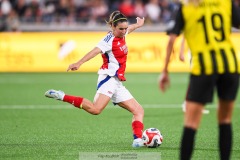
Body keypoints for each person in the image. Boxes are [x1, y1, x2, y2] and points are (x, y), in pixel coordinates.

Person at [45, 11, 145, 148]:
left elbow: (130, 29)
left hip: (117, 81)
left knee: (138, 110)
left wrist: (138, 25)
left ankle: (137, 140)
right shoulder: (108, 40)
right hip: (108, 78)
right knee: (95, 109)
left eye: (125, 28)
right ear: (113, 27)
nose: (124, 31)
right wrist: (79, 63)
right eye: (121, 29)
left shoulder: (123, 32)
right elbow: (95, 51)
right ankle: (62, 96)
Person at [159, 0, 240, 159]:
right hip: (229, 65)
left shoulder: (186, 6)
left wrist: (165, 71)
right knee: (225, 120)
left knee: (191, 123)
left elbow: (171, 40)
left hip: (204, 67)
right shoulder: (226, 2)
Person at [179, 36, 210, 114]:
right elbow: (184, 36)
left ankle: (198, 105)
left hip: (205, 51)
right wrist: (181, 51)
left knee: (204, 79)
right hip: (195, 52)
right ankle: (186, 103)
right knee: (196, 78)